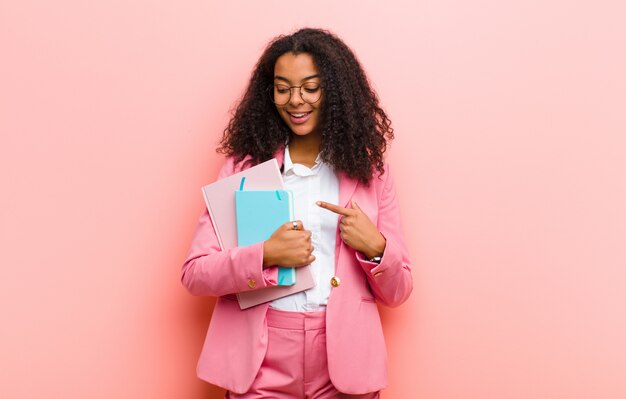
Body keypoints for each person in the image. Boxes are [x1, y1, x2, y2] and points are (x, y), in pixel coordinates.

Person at [181, 28, 413, 398]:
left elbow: (399, 291)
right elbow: (195, 274)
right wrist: (266, 255)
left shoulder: (371, 172)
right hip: (260, 361)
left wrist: (376, 248)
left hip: (344, 360)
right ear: (268, 92)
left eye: (310, 87)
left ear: (334, 92)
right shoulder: (243, 168)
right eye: (283, 87)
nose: (295, 100)